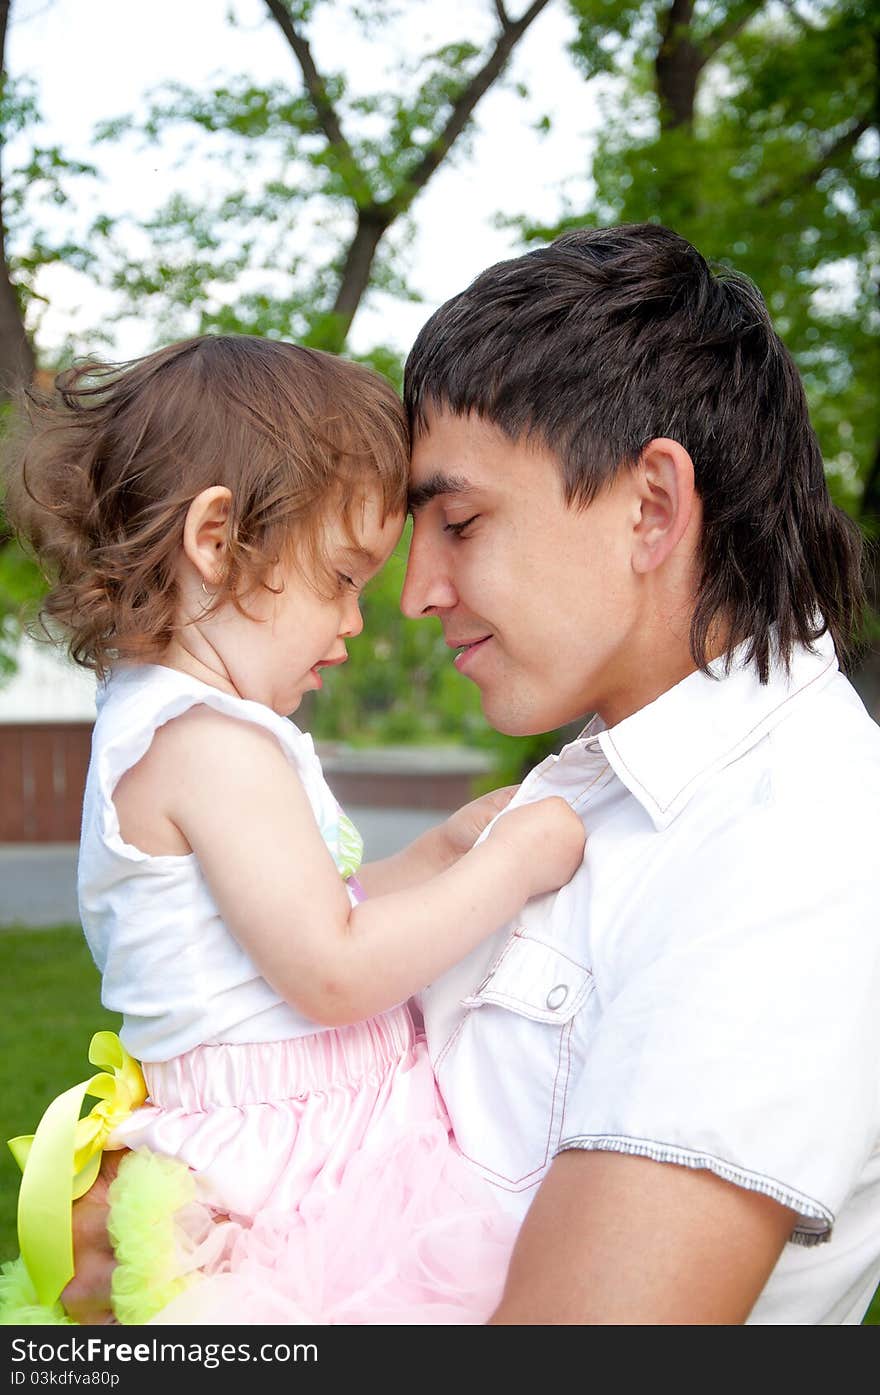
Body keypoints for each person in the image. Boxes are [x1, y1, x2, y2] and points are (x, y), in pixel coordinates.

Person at [32, 223, 880, 1326]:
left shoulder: (794, 844)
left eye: (461, 521)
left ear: (653, 507)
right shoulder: (600, 783)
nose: (415, 591)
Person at [0, 334, 586, 1326]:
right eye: (341, 578)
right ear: (217, 539)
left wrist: (445, 852)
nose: (359, 622)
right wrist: (513, 868)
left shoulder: (184, 726)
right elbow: (332, 972)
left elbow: (317, 915)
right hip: (295, 1187)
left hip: (299, 1141)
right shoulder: (209, 746)